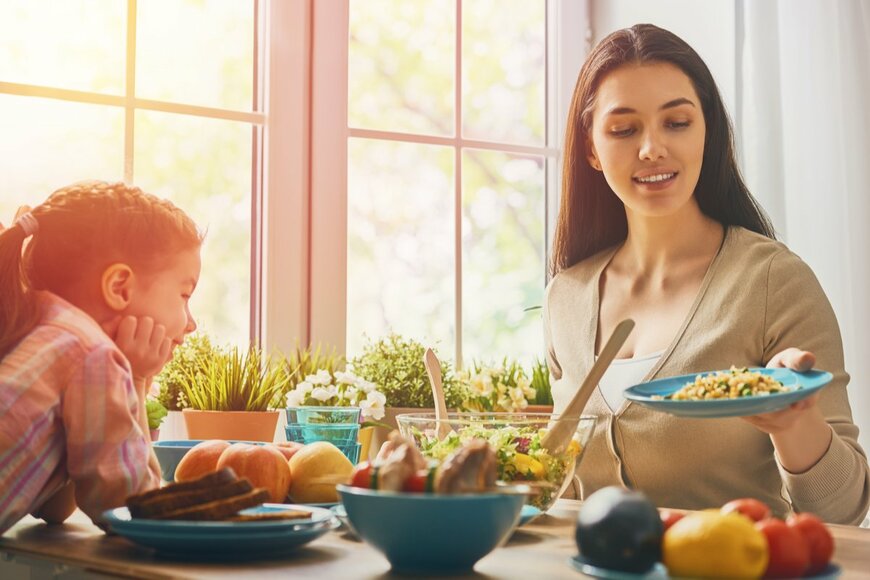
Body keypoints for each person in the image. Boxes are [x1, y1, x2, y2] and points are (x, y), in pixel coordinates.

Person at [544, 24, 869, 525]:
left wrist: (795, 425)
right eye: (624, 129)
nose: (652, 148)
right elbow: (554, 482)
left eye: (677, 122)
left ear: (707, 130)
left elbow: (842, 510)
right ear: (590, 148)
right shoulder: (565, 298)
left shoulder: (772, 282)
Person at [0, 180, 202, 534]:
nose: (192, 323)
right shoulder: (89, 354)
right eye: (184, 294)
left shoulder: (41, 330)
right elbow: (135, 508)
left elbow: (54, 508)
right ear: (119, 287)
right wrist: (135, 379)